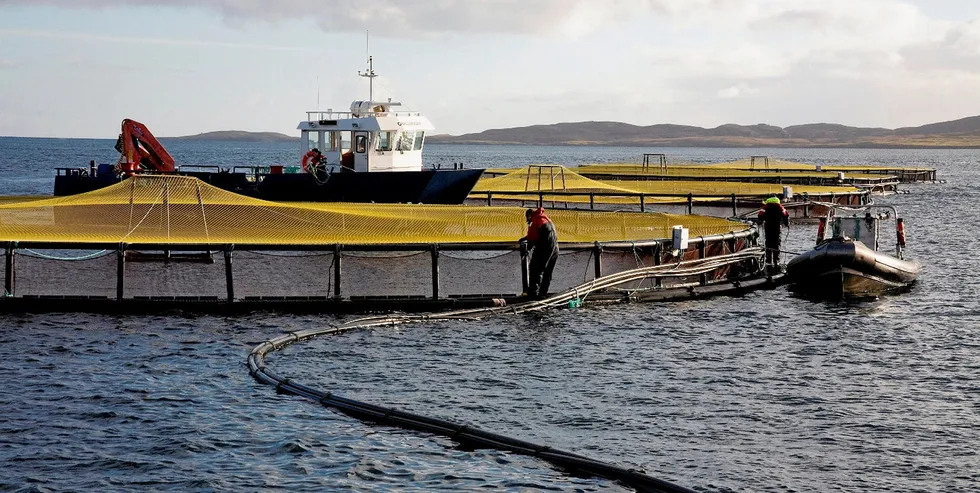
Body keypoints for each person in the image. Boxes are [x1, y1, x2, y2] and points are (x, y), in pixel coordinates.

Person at [520, 207, 559, 299]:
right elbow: (536, 234)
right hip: (555, 249)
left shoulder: (534, 220)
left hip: (545, 247)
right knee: (547, 272)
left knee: (535, 269)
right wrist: (525, 238)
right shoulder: (545, 218)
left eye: (527, 218)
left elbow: (532, 238)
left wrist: (527, 249)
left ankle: (533, 294)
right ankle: (543, 294)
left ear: (529, 216)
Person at [757, 196, 789, 268]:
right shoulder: (780, 207)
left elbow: (760, 215)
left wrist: (760, 222)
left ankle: (768, 261)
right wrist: (786, 224)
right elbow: (785, 215)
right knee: (777, 243)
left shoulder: (766, 207)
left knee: (768, 242)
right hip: (777, 227)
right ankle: (776, 261)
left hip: (768, 226)